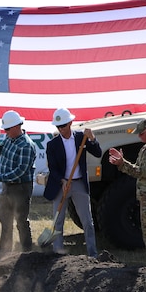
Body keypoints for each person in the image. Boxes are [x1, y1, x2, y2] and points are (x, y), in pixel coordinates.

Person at [109, 118, 146, 265]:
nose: (139, 137)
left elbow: (143, 172)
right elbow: (138, 169)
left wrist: (123, 164)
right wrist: (122, 164)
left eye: (141, 134)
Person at [44, 108, 102, 256]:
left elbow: (98, 152)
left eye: (63, 125)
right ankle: (58, 253)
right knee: (58, 221)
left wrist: (92, 139)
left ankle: (92, 253)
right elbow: (53, 168)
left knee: (87, 221)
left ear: (70, 123)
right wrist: (62, 181)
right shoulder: (52, 145)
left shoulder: (80, 138)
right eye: (58, 126)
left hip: (79, 184)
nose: (61, 129)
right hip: (61, 185)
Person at [0, 110, 37, 253]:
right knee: (5, 218)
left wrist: (0, 178)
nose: (6, 131)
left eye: (7, 129)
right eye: (5, 129)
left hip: (21, 187)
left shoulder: (26, 145)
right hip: (8, 186)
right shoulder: (9, 139)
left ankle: (27, 251)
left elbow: (20, 172)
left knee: (21, 220)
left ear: (17, 126)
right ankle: (5, 249)